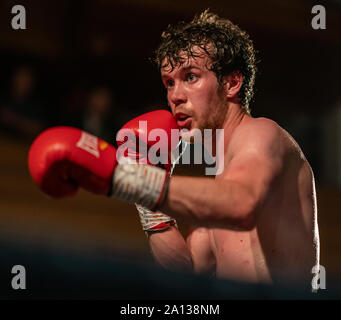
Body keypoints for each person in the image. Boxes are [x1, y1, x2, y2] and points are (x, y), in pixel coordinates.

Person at [28, 10, 320, 291]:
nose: (174, 96)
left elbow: (241, 204)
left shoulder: (261, 133)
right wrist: (149, 208)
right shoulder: (216, 190)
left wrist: (126, 178)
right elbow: (187, 271)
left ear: (232, 82)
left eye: (190, 77)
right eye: (169, 83)